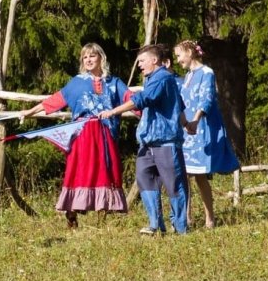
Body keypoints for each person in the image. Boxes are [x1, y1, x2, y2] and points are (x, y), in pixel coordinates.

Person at [20, 43, 130, 227]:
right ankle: (71, 214)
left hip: (105, 134)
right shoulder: (77, 82)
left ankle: (102, 218)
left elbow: (132, 100)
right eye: (85, 57)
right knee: (78, 170)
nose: (88, 60)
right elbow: (55, 100)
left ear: (101, 58)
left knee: (104, 171)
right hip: (82, 133)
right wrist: (29, 112)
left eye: (92, 56)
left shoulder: (114, 82)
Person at [100, 45, 189, 236]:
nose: (139, 65)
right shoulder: (152, 79)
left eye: (141, 61)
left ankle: (180, 227)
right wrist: (187, 124)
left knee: (174, 184)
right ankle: (155, 225)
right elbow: (179, 107)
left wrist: (113, 111)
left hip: (165, 140)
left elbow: (143, 99)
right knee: (145, 180)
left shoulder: (163, 78)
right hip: (147, 143)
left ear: (154, 60)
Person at [174, 40, 240, 228]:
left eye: (179, 55)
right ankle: (185, 217)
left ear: (189, 52)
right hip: (187, 130)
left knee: (199, 175)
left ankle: (209, 217)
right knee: (184, 174)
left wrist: (195, 120)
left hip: (201, 128)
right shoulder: (186, 76)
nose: (178, 60)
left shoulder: (206, 73)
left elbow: (207, 98)